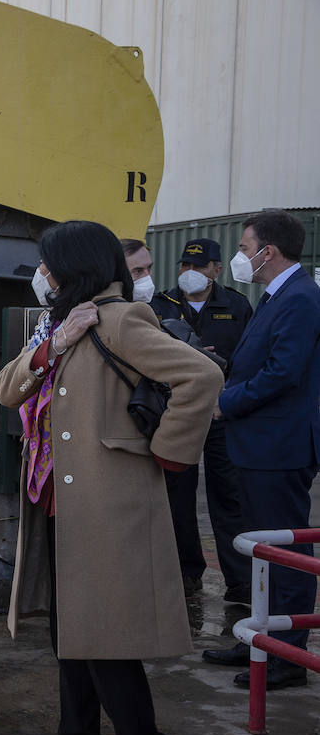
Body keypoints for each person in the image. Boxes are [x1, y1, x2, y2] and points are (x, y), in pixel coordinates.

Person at [0, 220, 220, 735]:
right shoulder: (61, 322)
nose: (44, 274)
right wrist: (56, 344)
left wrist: (167, 451)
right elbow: (7, 391)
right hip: (60, 501)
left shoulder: (121, 319)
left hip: (110, 504)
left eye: (51, 264)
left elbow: (201, 375)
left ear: (75, 266)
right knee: (68, 633)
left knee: (106, 641)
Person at [204, 210, 320, 690]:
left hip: (279, 446)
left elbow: (283, 372)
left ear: (267, 252)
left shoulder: (300, 298)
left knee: (283, 552)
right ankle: (260, 638)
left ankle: (287, 656)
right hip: (259, 443)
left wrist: (226, 402)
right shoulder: (277, 295)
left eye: (244, 248)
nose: (240, 257)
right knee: (261, 549)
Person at [146, 238, 253, 600]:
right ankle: (185, 573)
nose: (189, 272)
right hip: (178, 413)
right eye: (185, 265)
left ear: (216, 270)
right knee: (177, 496)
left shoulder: (236, 305)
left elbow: (248, 360)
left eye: (199, 266)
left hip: (222, 413)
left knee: (229, 496)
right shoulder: (160, 304)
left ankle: (240, 581)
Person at [122, 238, 157, 302]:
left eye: (149, 268)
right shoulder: (104, 307)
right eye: (138, 271)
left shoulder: (159, 305)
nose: (147, 276)